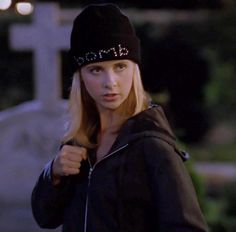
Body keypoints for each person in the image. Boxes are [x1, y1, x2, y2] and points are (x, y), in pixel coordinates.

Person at [31, 3, 209, 232]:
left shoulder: (152, 146)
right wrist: (53, 172)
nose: (110, 82)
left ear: (134, 71)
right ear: (81, 77)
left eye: (120, 66)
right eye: (96, 69)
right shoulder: (79, 141)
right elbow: (45, 218)